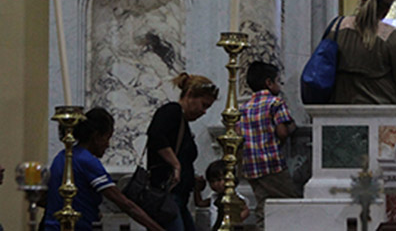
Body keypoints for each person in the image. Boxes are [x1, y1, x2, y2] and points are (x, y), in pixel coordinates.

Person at [42, 108, 164, 231]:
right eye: (107, 138)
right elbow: (125, 204)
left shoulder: (61, 156)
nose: (107, 144)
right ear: (96, 137)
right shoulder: (87, 161)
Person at [147, 73, 220, 231]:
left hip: (178, 197)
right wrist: (176, 165)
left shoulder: (182, 122)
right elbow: (155, 135)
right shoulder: (172, 111)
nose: (204, 111)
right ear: (190, 95)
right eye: (203, 105)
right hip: (166, 196)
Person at [329, 0, 396, 104]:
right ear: (387, 10)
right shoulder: (392, 37)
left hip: (339, 111)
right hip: (380, 113)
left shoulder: (336, 27)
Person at [239, 61, 298, 231]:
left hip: (250, 165)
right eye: (278, 81)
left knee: (263, 204)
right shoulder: (275, 103)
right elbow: (282, 132)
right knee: (289, 200)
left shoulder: (244, 107)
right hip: (271, 162)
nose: (280, 85)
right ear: (269, 83)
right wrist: (292, 127)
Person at [193, 160, 249, 231]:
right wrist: (197, 189)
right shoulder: (214, 197)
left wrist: (233, 220)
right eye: (212, 181)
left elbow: (246, 210)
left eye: (219, 180)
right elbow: (200, 203)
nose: (216, 184)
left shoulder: (235, 197)